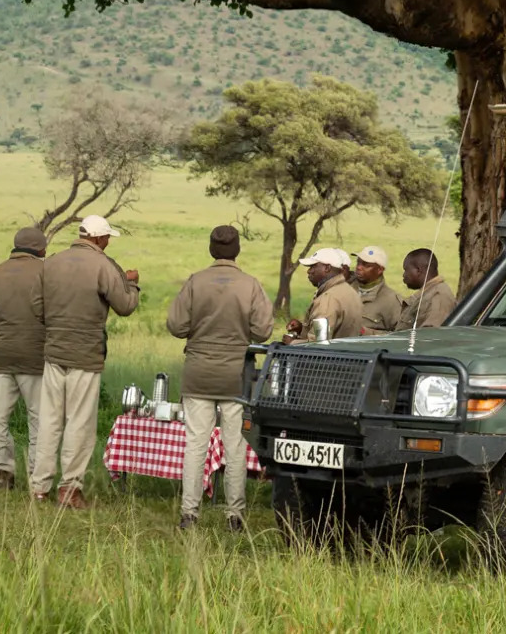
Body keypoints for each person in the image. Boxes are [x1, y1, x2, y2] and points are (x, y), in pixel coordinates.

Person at [30, 214, 141, 509]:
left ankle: (39, 488)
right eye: (106, 238)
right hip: (86, 355)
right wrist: (132, 285)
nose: (107, 243)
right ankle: (70, 489)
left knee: (49, 422)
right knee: (79, 423)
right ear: (98, 238)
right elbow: (125, 306)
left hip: (54, 353)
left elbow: (36, 306)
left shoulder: (51, 263)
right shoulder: (103, 265)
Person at [166, 224, 272, 531]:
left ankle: (189, 513)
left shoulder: (195, 282)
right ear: (237, 249)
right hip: (237, 375)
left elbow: (176, 325)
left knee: (196, 444)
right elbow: (263, 330)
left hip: (199, 371)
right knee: (235, 446)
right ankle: (234, 515)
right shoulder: (250, 284)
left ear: (212, 250)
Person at [0, 225, 46, 491]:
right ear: (40, 249)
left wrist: (5, 334)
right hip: (36, 358)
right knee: (39, 420)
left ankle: (3, 472)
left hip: (3, 357)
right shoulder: (45, 272)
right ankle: (36, 476)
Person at [282, 247, 364, 343]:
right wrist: (302, 329)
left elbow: (318, 345)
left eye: (313, 266)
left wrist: (292, 343)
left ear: (327, 268)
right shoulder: (348, 291)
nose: (309, 271)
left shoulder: (328, 299)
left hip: (334, 357)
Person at [398, 248, 455, 331]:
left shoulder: (438, 298)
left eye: (406, 270)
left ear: (418, 271)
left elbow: (429, 338)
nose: (404, 275)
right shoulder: (428, 294)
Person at [352, 245, 404, 334]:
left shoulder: (391, 301)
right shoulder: (345, 289)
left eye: (365, 265)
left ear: (380, 269)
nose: (358, 267)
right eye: (358, 262)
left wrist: (365, 332)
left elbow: (400, 337)